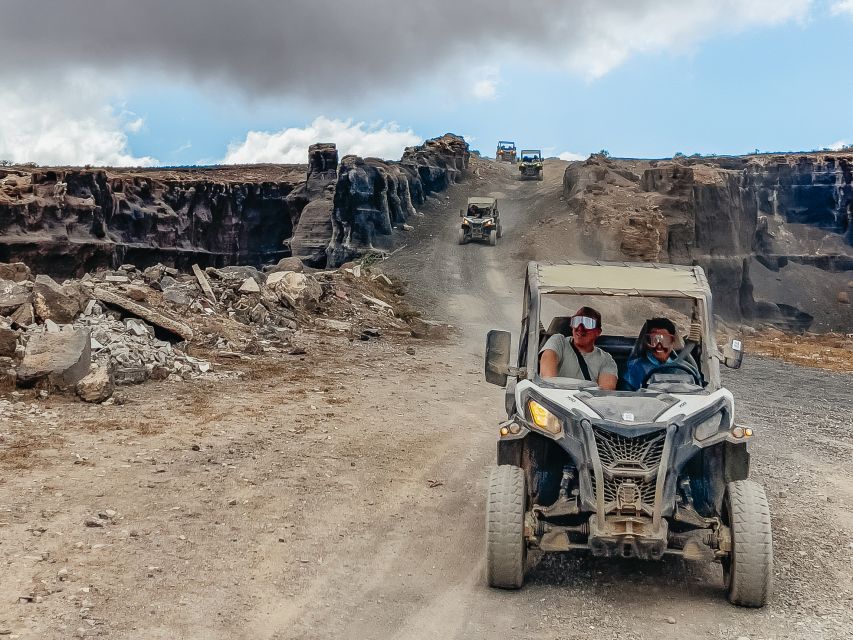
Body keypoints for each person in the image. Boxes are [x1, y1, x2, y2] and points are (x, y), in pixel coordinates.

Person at [539, 307, 618, 390]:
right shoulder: (558, 341)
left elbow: (605, 392)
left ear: (598, 332)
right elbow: (548, 380)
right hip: (555, 399)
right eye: (576, 322)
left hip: (585, 402)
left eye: (588, 323)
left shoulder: (606, 359)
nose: (580, 328)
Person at [623, 317, 679, 391]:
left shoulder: (685, 368)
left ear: (672, 342)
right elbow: (627, 395)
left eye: (665, 341)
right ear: (647, 342)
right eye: (654, 340)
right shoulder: (635, 367)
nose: (659, 346)